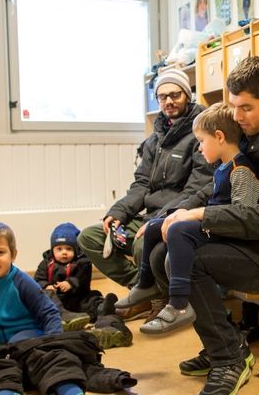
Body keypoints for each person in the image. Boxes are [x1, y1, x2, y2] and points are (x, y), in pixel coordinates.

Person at [160, 56, 259, 395]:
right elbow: (220, 183)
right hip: (255, 242)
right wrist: (182, 210)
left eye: (245, 107)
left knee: (189, 261)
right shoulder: (255, 130)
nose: (236, 116)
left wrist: (203, 216)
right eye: (233, 106)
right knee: (168, 247)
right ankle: (224, 342)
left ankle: (229, 358)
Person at [77, 68, 212, 322]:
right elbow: (140, 184)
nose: (168, 101)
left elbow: (195, 190)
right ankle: (145, 289)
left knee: (143, 244)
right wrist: (118, 213)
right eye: (162, 97)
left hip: (175, 217)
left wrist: (158, 220)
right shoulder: (154, 140)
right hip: (148, 214)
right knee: (89, 237)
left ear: (187, 95)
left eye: (175, 94)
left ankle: (154, 295)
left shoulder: (199, 135)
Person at [127, 103, 259, 335]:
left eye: (201, 141)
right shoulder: (223, 167)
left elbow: (244, 216)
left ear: (219, 137)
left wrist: (198, 218)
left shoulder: (241, 171)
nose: (199, 148)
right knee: (154, 228)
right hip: (214, 224)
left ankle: (179, 304)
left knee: (179, 230)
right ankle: (145, 284)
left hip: (228, 233)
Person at [0, 221, 85, 395]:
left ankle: (69, 390)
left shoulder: (22, 281)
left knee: (55, 361)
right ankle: (4, 391)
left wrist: (53, 344)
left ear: (13, 254)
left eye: (0, 252)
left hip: (29, 341)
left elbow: (48, 312)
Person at [34, 222, 117, 331]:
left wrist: (71, 283)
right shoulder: (45, 263)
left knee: (92, 298)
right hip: (57, 300)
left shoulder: (82, 263)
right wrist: (47, 286)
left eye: (68, 249)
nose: (64, 252)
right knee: (45, 296)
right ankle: (62, 317)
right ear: (52, 250)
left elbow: (83, 279)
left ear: (76, 250)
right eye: (59, 249)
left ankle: (102, 309)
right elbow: (38, 279)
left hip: (77, 299)